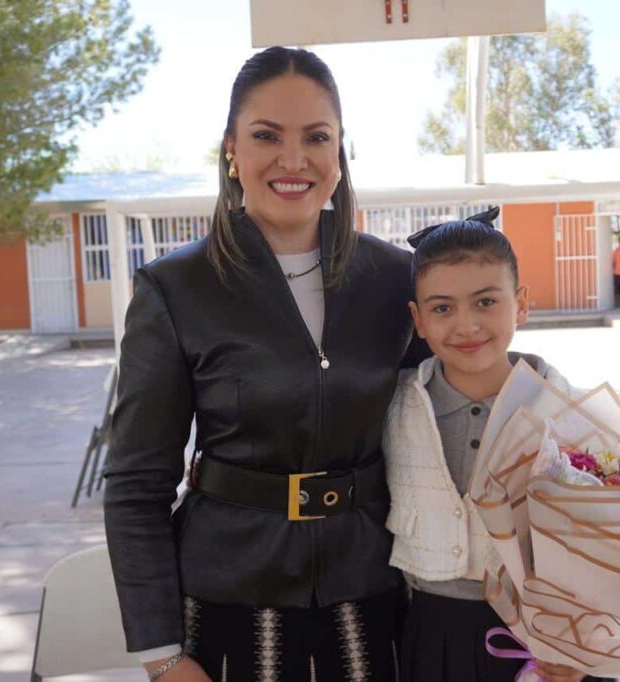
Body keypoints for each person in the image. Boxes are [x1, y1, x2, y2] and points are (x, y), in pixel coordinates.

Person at [104, 46, 425, 682]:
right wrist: (161, 654)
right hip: (227, 612)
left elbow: (448, 430)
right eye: (266, 136)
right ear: (230, 148)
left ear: (340, 149)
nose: (293, 159)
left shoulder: (397, 279)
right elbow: (137, 483)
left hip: (376, 602)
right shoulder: (175, 289)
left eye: (316, 137)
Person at [382, 208, 614, 682]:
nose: (466, 325)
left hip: (546, 644)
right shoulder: (392, 409)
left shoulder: (568, 413)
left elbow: (609, 545)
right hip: (430, 637)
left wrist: (581, 643)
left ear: (521, 303)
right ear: (418, 319)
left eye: (486, 302)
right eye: (442, 308)